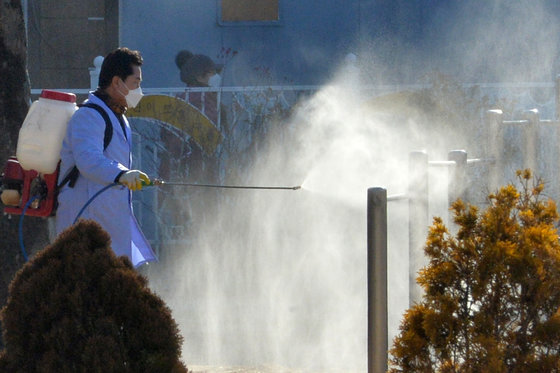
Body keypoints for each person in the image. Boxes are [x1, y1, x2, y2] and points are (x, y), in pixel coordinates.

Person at [55, 47, 157, 268]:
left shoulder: (117, 116)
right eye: (135, 83)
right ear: (117, 82)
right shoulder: (89, 115)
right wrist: (121, 174)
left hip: (107, 218)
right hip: (85, 215)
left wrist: (124, 175)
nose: (139, 91)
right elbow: (88, 159)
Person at [175, 50, 222, 125]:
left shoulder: (205, 96)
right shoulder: (198, 99)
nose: (216, 76)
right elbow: (211, 126)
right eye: (211, 72)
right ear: (199, 77)